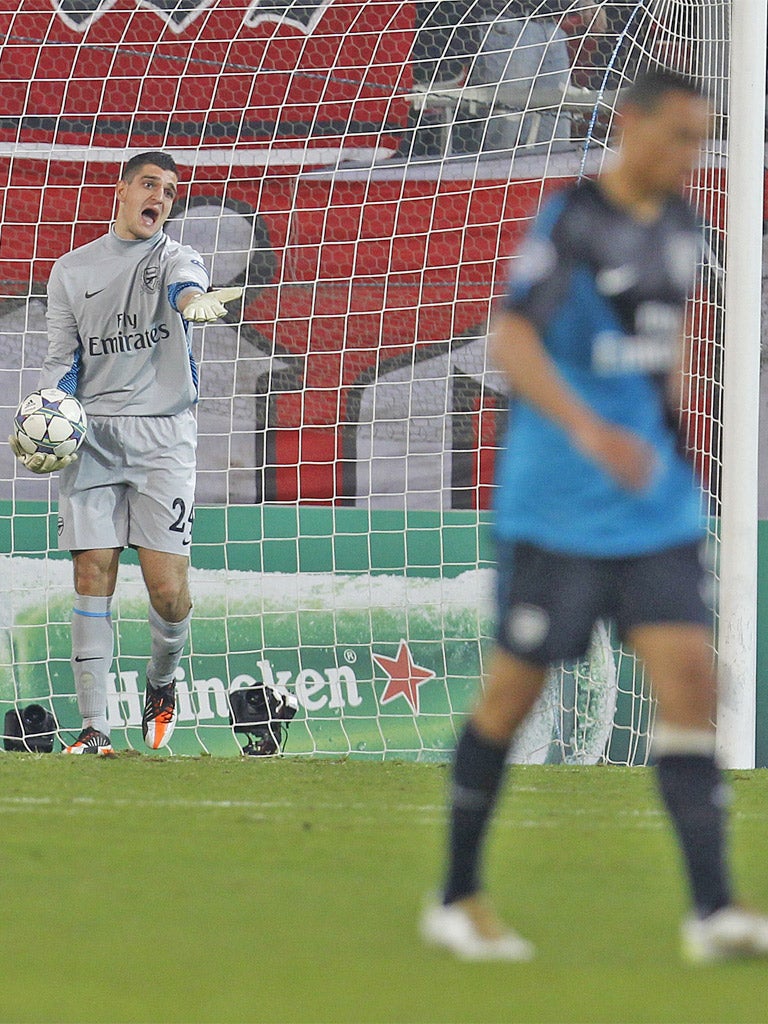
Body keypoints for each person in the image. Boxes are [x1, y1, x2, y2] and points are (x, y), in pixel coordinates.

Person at [420, 70, 768, 963]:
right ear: (630, 126)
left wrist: (671, 426)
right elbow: (512, 340)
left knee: (691, 679)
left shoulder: (686, 229)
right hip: (559, 509)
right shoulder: (572, 220)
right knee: (512, 694)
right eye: (680, 137)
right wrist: (591, 432)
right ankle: (457, 895)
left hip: (654, 511)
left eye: (702, 141)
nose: (691, 157)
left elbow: (673, 336)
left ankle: (714, 910)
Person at [9, 151, 242, 756]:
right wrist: (48, 414)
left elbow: (187, 286)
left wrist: (193, 302)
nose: (159, 198)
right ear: (121, 190)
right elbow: (63, 357)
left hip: (164, 438)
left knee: (166, 590)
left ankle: (161, 681)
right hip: (94, 437)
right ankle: (95, 729)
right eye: (149, 185)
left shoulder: (174, 256)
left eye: (168, 191)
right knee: (92, 574)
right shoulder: (72, 269)